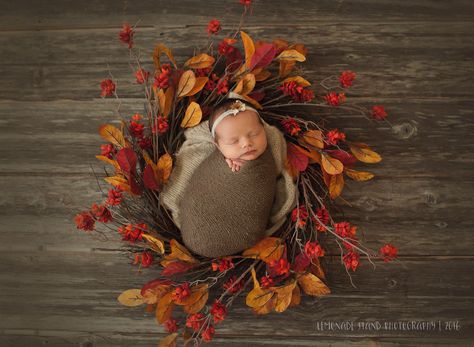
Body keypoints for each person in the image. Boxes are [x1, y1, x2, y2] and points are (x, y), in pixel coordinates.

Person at [208, 98, 268, 172]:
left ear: (264, 129)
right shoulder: (216, 163)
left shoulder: (275, 146)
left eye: (254, 134)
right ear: (218, 146)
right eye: (233, 141)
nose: (246, 143)